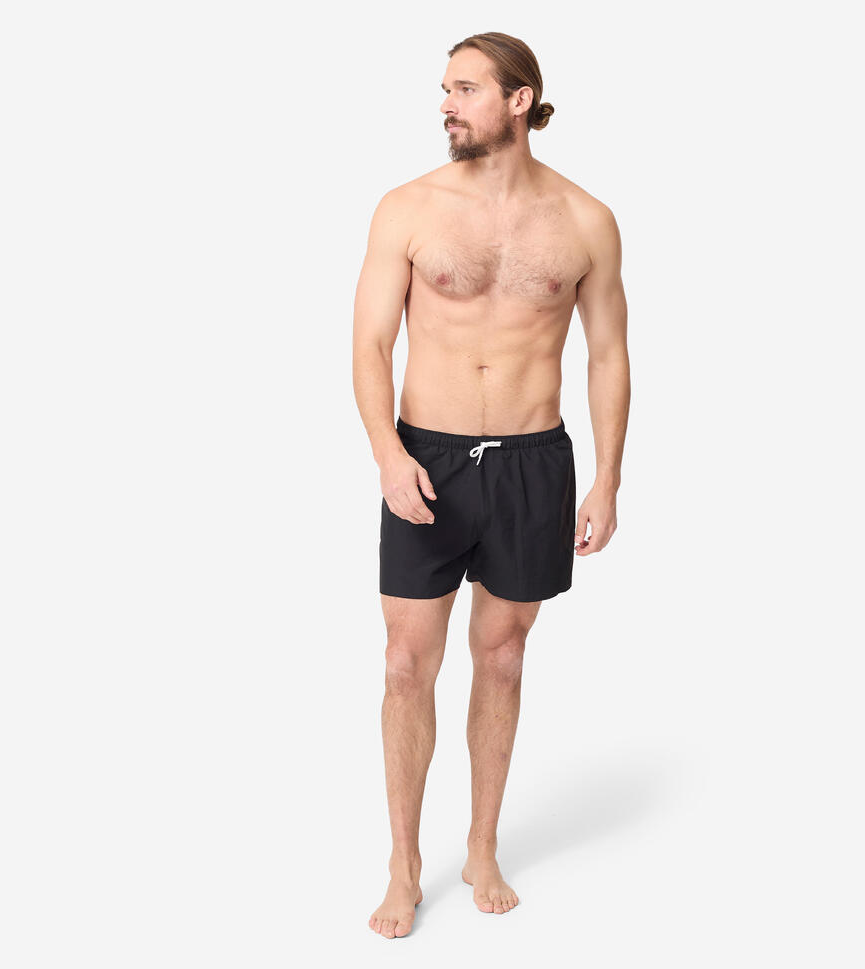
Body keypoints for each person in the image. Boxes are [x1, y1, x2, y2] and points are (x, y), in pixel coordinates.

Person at [352, 31, 629, 939]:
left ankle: (481, 845)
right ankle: (403, 863)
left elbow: (607, 355)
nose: (446, 103)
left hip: (531, 461)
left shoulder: (585, 219)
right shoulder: (407, 208)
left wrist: (607, 478)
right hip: (425, 458)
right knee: (405, 663)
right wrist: (387, 453)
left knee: (503, 655)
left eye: (465, 88)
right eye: (445, 88)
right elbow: (369, 344)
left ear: (518, 99)